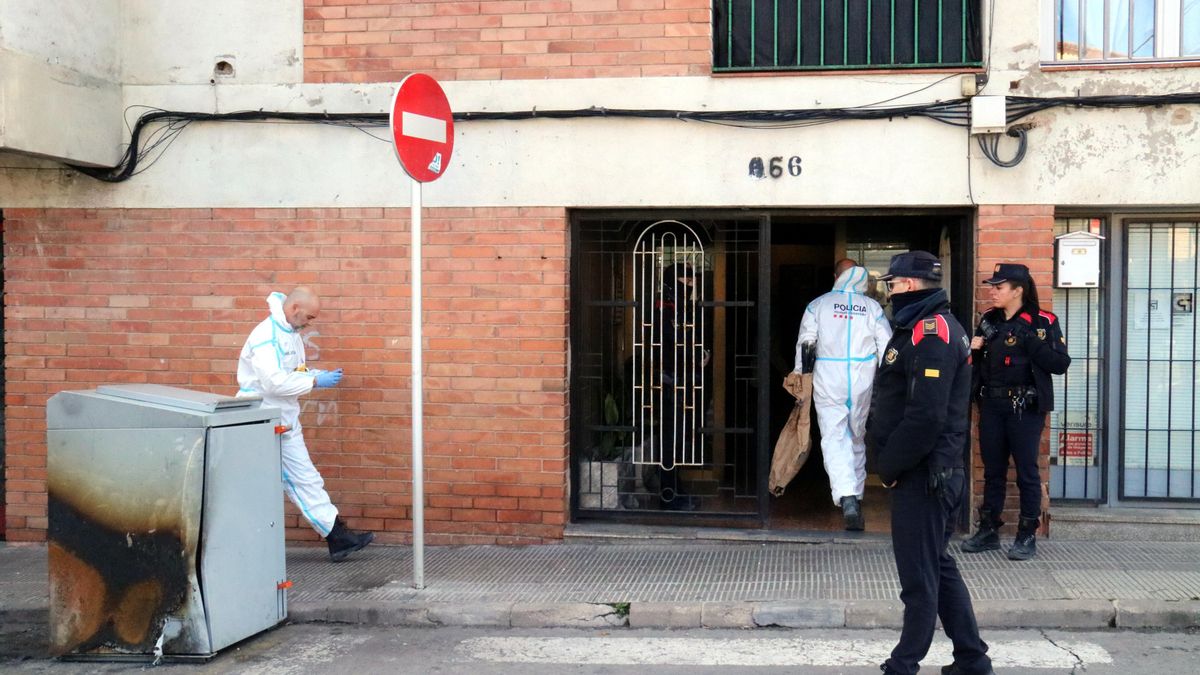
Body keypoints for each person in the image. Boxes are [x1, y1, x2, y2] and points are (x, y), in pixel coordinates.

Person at [871, 251, 993, 675]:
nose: (889, 292)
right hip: (927, 472)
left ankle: (904, 665)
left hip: (924, 475)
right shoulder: (923, 326)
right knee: (937, 567)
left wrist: (889, 468)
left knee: (919, 579)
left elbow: (926, 416)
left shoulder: (932, 331)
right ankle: (972, 659)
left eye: (891, 285)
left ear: (907, 285)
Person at [237, 288, 374, 562]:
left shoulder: (289, 333)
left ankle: (337, 536)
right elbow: (274, 382)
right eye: (309, 317)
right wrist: (313, 381)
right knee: (264, 483)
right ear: (295, 308)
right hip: (263, 419)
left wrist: (313, 375)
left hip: (282, 419)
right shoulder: (267, 336)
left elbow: (291, 373)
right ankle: (334, 536)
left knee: (305, 478)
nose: (310, 323)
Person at [962, 263, 1071, 561]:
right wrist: (974, 350)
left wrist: (1031, 340)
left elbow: (1060, 364)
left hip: (1025, 408)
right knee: (993, 471)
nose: (992, 292)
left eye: (999, 287)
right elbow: (977, 366)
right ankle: (988, 531)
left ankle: (1026, 534)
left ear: (1018, 290)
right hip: (992, 406)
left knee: (1026, 472)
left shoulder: (1043, 321)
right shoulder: (989, 320)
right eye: (992, 287)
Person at [794, 258, 892, 530]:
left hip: (829, 376)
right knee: (856, 435)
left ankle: (847, 496)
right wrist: (890, 381)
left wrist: (801, 377)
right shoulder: (872, 307)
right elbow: (887, 347)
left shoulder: (818, 305)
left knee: (834, 436)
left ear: (836, 276)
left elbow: (807, 344)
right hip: (862, 378)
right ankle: (856, 493)